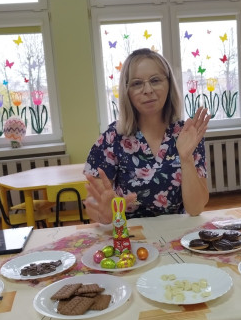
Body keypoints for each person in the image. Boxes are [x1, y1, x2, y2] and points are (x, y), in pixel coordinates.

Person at [83, 48, 210, 224]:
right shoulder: (112, 139)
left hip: (177, 231)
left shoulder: (187, 134)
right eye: (137, 83)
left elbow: (195, 209)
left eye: (155, 80)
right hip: (129, 234)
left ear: (169, 84)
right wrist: (103, 214)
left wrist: (186, 158)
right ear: (126, 91)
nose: (148, 90)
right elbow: (94, 203)